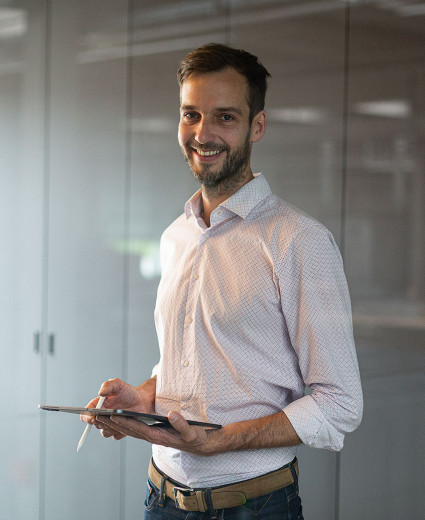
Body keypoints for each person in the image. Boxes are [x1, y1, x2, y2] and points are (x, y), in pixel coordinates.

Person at [82, 43, 363, 519]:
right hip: (161, 497)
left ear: (258, 126)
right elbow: (197, 361)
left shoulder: (299, 241)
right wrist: (144, 396)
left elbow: (340, 404)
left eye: (225, 117)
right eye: (190, 114)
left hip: (254, 504)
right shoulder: (176, 237)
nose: (203, 133)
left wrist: (219, 442)